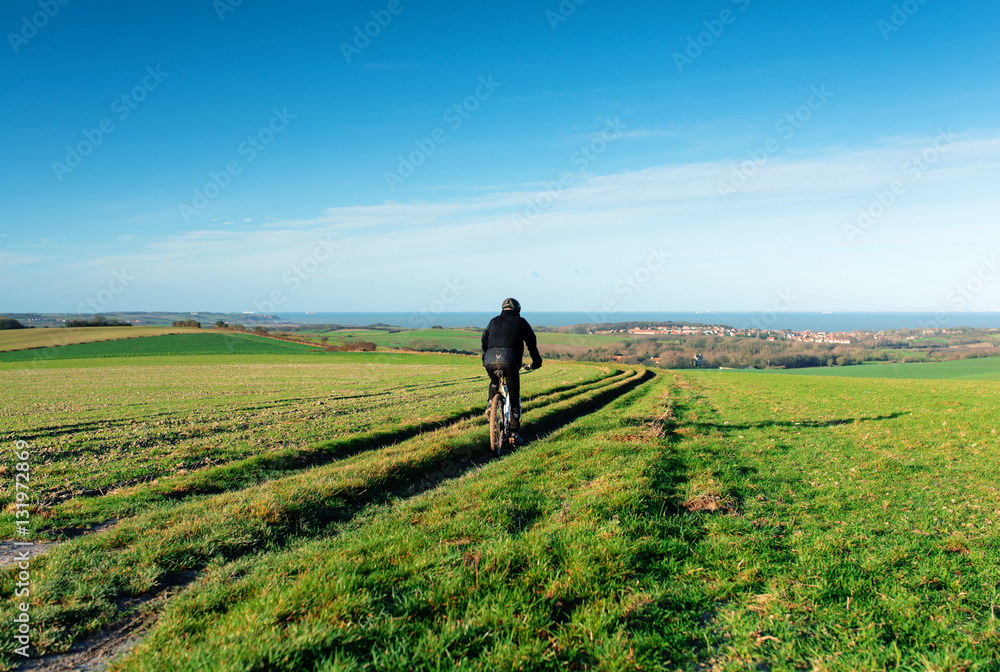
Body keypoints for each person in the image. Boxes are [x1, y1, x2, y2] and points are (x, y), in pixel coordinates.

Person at [481, 298, 542, 442]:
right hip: (510, 361)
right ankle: (514, 434)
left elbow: (484, 340)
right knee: (514, 396)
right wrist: (536, 362)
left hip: (490, 360)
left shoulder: (493, 321)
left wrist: (485, 359)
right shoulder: (521, 322)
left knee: (494, 382)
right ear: (518, 310)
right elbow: (531, 343)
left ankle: (491, 403)